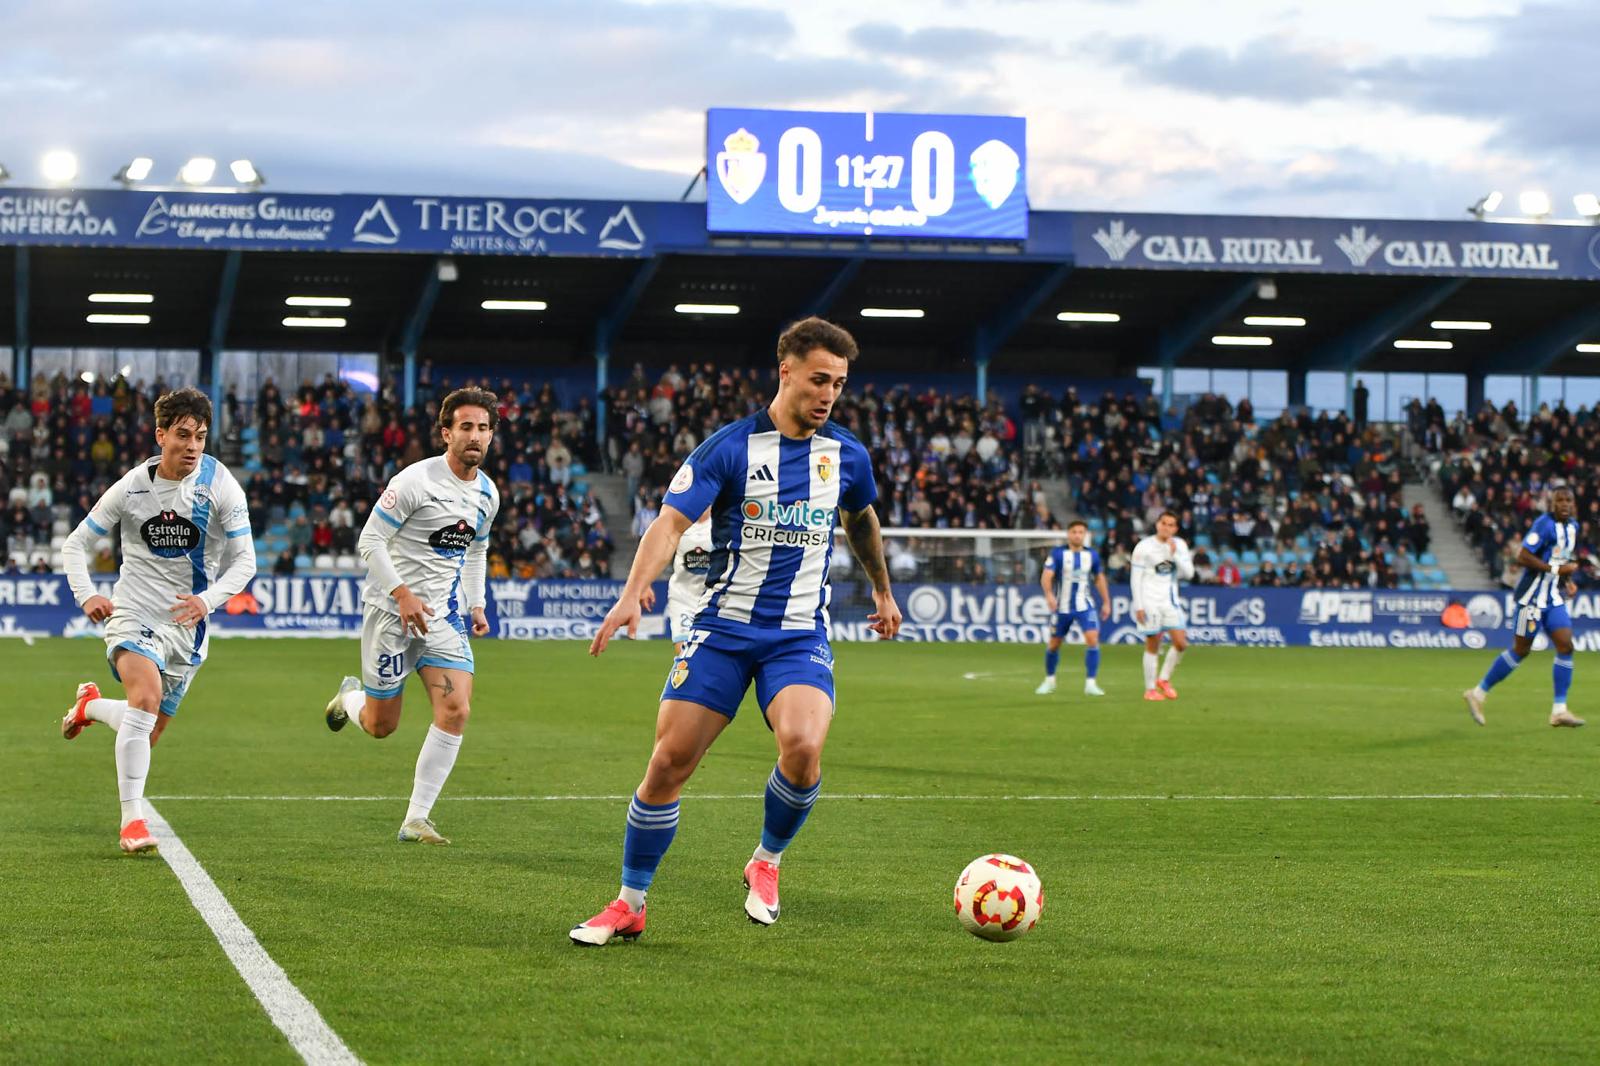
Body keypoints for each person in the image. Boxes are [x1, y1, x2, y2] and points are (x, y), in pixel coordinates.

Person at [570, 316, 902, 947]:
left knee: (804, 748)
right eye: (818, 379)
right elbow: (669, 525)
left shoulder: (848, 455)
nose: (829, 394)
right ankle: (630, 903)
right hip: (722, 628)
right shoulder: (728, 449)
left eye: (839, 383)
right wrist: (631, 592)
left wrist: (883, 591)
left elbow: (861, 520)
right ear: (786, 371)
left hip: (798, 633)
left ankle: (766, 862)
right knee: (669, 763)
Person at [57, 387, 257, 854]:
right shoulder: (132, 488)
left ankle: (89, 707)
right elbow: (74, 544)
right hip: (134, 613)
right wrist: (87, 594)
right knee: (144, 701)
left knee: (147, 726)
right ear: (160, 434)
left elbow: (245, 560)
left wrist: (207, 601)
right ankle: (132, 823)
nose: (192, 446)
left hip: (189, 627)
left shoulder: (220, 484)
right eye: (183, 435)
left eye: (201, 437)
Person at [322, 388, 502, 844]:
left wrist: (476, 602)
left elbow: (477, 549)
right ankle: (350, 698)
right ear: (447, 433)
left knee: (456, 709)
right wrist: (402, 594)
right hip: (390, 614)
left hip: (441, 617)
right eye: (466, 427)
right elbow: (370, 541)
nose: (475, 436)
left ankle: (416, 818)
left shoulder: (486, 495)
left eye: (483, 428)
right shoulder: (414, 482)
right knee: (382, 727)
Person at [1462, 487, 1584, 728]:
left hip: (1552, 599)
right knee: (1520, 650)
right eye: (1559, 500)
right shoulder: (1544, 524)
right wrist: (1559, 571)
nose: (1564, 504)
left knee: (1566, 645)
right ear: (1551, 504)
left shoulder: (1573, 528)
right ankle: (1477, 694)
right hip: (1529, 599)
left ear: (1574, 504)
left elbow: (1557, 559)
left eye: (1568, 500)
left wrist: (1566, 582)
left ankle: (1559, 710)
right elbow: (1523, 556)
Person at [1035, 519, 1110, 697]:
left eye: (1081, 532)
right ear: (1069, 534)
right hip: (1063, 606)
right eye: (1074, 532)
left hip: (1085, 605)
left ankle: (1091, 684)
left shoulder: (1092, 555)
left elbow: (1099, 578)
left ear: (1085, 535)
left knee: (1093, 639)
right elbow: (1046, 576)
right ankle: (1049, 680)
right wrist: (1049, 595)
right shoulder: (1058, 554)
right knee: (1054, 644)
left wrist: (1106, 601)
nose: (1077, 535)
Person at [1130, 511, 1194, 702]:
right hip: (1149, 602)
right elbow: (1135, 578)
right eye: (1163, 523)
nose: (1166, 527)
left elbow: (1189, 574)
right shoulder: (1144, 547)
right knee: (1153, 644)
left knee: (1181, 643)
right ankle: (1150, 690)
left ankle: (1163, 679)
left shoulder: (1179, 545)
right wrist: (1138, 605)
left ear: (1175, 528)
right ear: (1157, 524)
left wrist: (1174, 556)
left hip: (1170, 601)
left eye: (1171, 524)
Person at [666, 508, 714, 655]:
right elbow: (662, 550)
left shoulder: (722, 522)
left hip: (714, 599)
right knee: (686, 656)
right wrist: (644, 583)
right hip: (682, 597)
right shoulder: (677, 521)